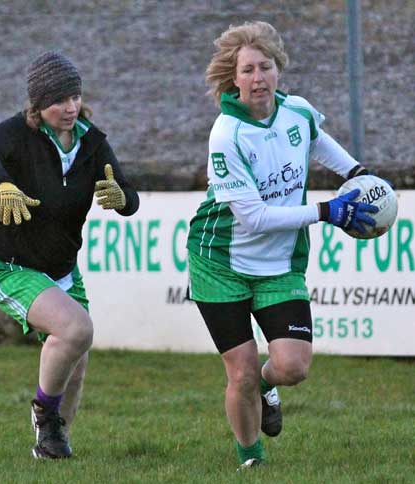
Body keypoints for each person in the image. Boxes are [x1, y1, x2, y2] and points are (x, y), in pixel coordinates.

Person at [186, 21, 380, 470]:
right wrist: (328, 211)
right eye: (249, 70)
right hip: (220, 262)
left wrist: (357, 174)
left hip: (279, 264)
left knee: (292, 367)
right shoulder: (227, 135)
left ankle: (267, 386)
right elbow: (252, 217)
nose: (258, 78)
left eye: (266, 67)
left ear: (278, 70)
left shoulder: (297, 112)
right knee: (240, 371)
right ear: (233, 79)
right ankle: (251, 460)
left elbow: (317, 140)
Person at [0, 51, 140, 459]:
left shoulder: (92, 141)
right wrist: (1, 185)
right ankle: (43, 412)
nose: (69, 107)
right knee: (77, 329)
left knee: (75, 361)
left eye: (74, 97)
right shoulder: (17, 133)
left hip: (61, 268)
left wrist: (123, 200)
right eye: (58, 100)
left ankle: (52, 448)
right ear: (37, 105)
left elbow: (128, 195)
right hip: (9, 265)